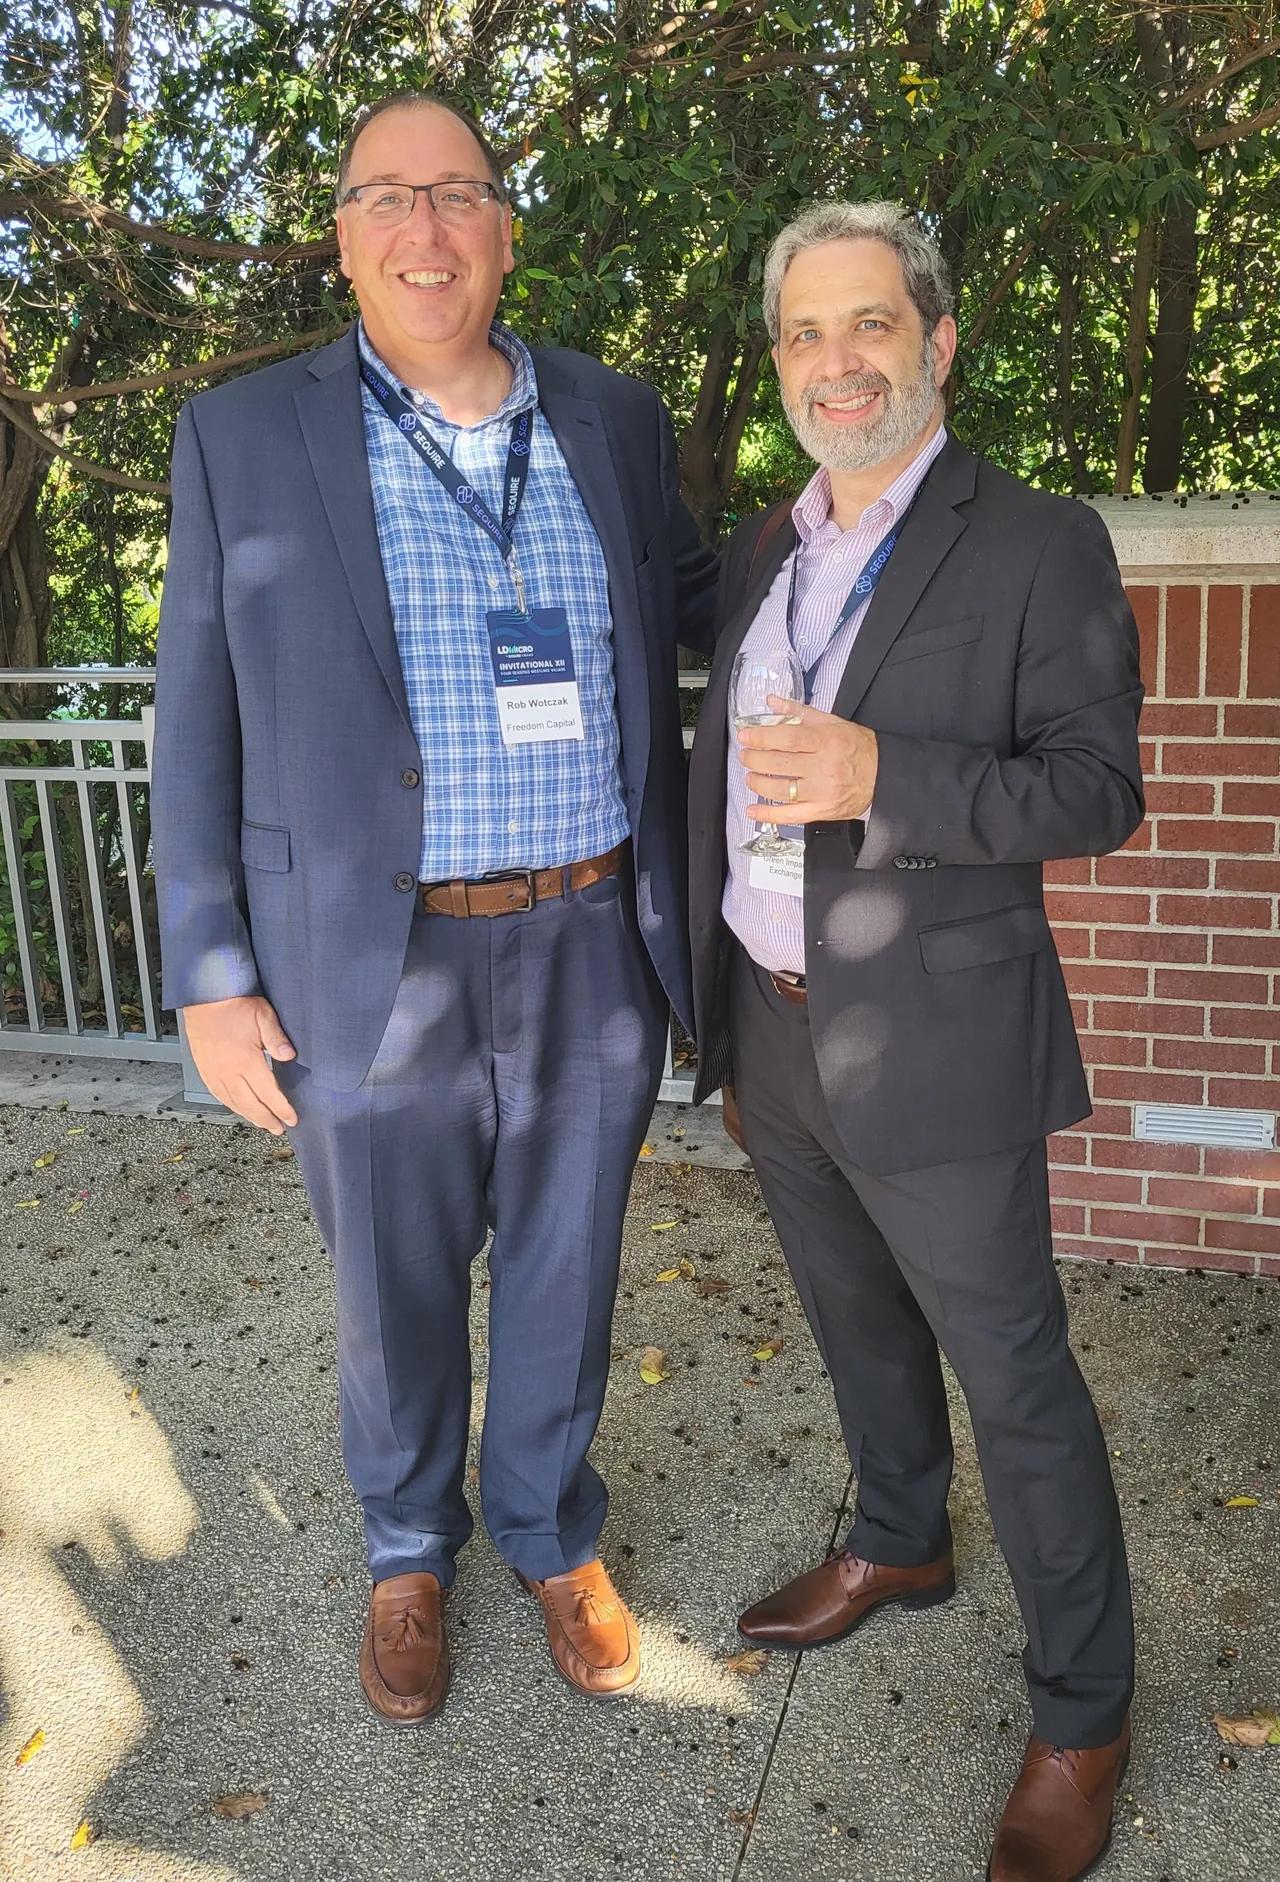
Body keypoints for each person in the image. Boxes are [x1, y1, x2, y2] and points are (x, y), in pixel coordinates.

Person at [152, 91, 715, 1724]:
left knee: (566, 1261)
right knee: (391, 1287)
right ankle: (408, 1544)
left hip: (593, 939)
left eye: (457, 193)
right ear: (343, 235)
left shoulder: (612, 416)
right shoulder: (243, 436)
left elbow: (703, 596)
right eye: (387, 199)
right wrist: (208, 967)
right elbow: (197, 716)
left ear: (503, 226)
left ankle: (549, 1530)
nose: (425, 230)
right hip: (363, 963)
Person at [686, 201, 1143, 1882]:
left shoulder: (1035, 543)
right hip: (774, 1018)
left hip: (940, 1045)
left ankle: (1084, 1706)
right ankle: (897, 1538)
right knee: (853, 1316)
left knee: (1016, 1379)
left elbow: (1098, 789)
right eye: (805, 333)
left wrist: (891, 780)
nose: (835, 362)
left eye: (868, 324)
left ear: (937, 341)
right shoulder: (765, 547)